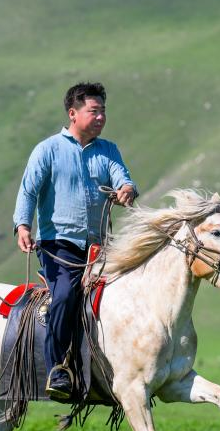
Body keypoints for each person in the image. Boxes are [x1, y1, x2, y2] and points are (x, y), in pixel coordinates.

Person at [13, 82, 137, 401]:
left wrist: (126, 190)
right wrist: (23, 226)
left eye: (103, 111)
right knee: (66, 295)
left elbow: (122, 178)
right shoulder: (48, 149)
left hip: (98, 247)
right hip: (59, 245)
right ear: (73, 113)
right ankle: (57, 369)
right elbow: (29, 190)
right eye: (94, 111)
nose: (101, 117)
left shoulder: (108, 150)